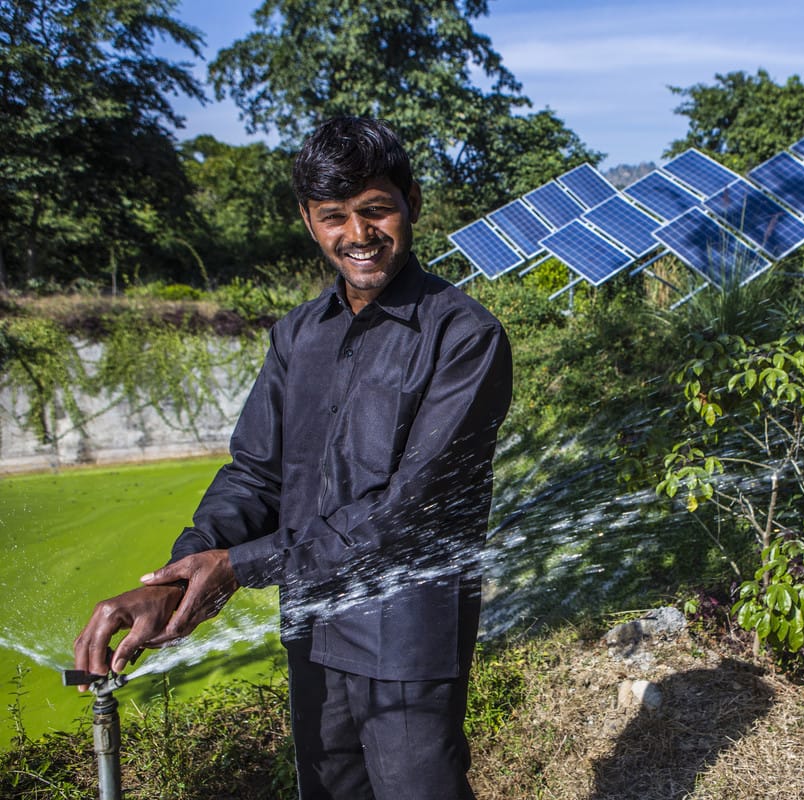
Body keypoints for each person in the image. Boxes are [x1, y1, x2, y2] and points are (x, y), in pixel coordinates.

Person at [73, 116, 513, 799]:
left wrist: (241, 566)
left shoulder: (465, 337)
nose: (358, 235)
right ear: (310, 222)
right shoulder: (297, 336)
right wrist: (175, 578)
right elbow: (254, 474)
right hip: (312, 630)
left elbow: (405, 511)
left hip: (405, 639)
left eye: (375, 210)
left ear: (412, 204)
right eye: (334, 216)